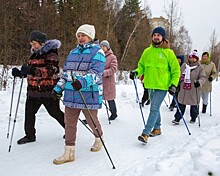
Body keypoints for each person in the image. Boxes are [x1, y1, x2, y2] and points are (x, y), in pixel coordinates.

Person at [53, 24, 106, 165]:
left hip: (88, 94)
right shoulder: (73, 53)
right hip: (71, 94)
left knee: (91, 121)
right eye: (79, 35)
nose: (81, 38)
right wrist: (58, 88)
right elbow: (66, 74)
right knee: (69, 123)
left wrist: (83, 82)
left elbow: (96, 73)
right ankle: (69, 152)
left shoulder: (98, 52)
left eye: (84, 35)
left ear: (90, 37)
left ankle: (99, 138)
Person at [12, 30, 65, 144]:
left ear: (42, 43)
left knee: (55, 112)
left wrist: (31, 70)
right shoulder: (34, 54)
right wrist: (21, 73)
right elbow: (31, 71)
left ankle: (70, 129)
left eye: (35, 43)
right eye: (31, 44)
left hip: (48, 91)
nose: (33, 46)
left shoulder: (52, 54)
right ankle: (30, 135)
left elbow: (50, 71)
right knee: (29, 113)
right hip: (33, 90)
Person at [129, 26, 180, 143]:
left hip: (162, 86)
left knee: (153, 108)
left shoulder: (169, 53)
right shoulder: (147, 51)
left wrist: (173, 84)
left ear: (163, 37)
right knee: (155, 108)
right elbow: (141, 66)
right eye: (154, 35)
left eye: (158, 35)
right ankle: (157, 128)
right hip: (149, 85)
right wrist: (136, 72)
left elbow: (176, 71)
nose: (156, 37)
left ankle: (145, 133)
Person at [172, 50, 206, 125]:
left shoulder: (200, 67)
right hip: (184, 89)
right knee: (181, 103)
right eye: (191, 57)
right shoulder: (184, 65)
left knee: (193, 105)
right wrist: (175, 84)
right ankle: (177, 118)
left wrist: (199, 82)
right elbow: (178, 75)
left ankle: (193, 117)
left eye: (194, 58)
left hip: (194, 89)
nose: (192, 59)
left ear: (197, 59)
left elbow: (203, 77)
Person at [100, 40, 118, 120]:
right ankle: (92, 116)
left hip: (108, 82)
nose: (102, 48)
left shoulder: (112, 57)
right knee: (95, 99)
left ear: (108, 47)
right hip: (99, 82)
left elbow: (113, 69)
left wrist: (103, 72)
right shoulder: (99, 56)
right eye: (101, 46)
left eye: (104, 46)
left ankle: (114, 113)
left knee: (110, 99)